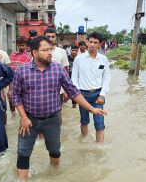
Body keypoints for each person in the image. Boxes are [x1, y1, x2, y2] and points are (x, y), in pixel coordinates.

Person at [12, 36, 106, 179]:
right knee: (23, 153)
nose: (50, 52)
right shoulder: (22, 71)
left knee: (55, 152)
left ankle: (54, 176)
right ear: (35, 52)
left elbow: (73, 91)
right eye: (45, 50)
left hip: (53, 120)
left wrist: (91, 109)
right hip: (29, 121)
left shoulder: (58, 69)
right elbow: (15, 96)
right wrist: (23, 118)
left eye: (50, 49)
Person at [71, 32, 110, 143]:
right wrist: (78, 94)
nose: (92, 44)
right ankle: (84, 142)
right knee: (84, 121)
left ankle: (100, 147)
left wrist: (102, 95)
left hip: (98, 95)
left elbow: (106, 78)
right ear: (87, 42)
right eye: (90, 42)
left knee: (100, 123)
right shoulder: (79, 59)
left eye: (95, 42)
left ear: (100, 44)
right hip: (83, 95)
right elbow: (74, 78)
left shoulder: (103, 59)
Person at [8, 36, 32, 116]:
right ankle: (13, 113)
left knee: (24, 97)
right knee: (10, 96)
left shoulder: (30, 55)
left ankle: (24, 115)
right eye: (19, 45)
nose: (21, 47)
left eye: (23, 45)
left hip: (25, 80)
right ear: (17, 45)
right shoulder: (13, 54)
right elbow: (9, 67)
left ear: (26, 46)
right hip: (12, 79)